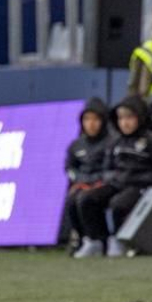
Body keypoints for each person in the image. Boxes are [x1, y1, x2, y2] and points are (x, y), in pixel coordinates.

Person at [73, 95, 152, 258]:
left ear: (139, 117)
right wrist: (112, 177)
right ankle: (97, 241)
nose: (125, 123)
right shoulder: (116, 142)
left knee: (118, 204)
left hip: (140, 185)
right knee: (86, 199)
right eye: (120, 118)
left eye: (129, 117)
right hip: (117, 184)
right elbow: (107, 168)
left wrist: (141, 178)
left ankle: (119, 240)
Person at [62, 97, 113, 246]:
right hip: (82, 184)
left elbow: (111, 169)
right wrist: (80, 180)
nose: (91, 124)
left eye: (96, 119)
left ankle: (99, 239)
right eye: (87, 119)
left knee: (86, 199)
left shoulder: (111, 142)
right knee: (71, 200)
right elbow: (69, 168)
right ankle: (84, 239)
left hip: (104, 185)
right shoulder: (76, 145)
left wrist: (94, 182)